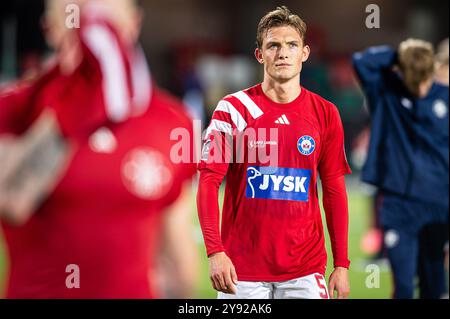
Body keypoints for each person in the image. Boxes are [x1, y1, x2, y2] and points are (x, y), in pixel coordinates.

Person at [0, 0, 198, 298]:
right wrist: (72, 113)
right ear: (50, 29)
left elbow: (177, 262)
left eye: (106, 27)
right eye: (83, 27)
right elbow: (11, 198)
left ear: (134, 25)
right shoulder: (16, 108)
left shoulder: (171, 121)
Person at [197, 6, 351, 299]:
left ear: (304, 53)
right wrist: (215, 251)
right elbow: (208, 182)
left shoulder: (325, 113)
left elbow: (334, 189)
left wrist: (341, 264)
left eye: (292, 45)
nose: (283, 53)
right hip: (240, 271)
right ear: (260, 55)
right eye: (273, 45)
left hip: (304, 270)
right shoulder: (233, 109)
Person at [352, 39, 449, 299]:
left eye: (424, 79)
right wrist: (403, 56)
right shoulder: (386, 93)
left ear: (432, 71)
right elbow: (361, 62)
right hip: (398, 206)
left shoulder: (446, 99)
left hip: (438, 207)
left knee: (434, 287)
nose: (419, 88)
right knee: (403, 287)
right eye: (412, 79)